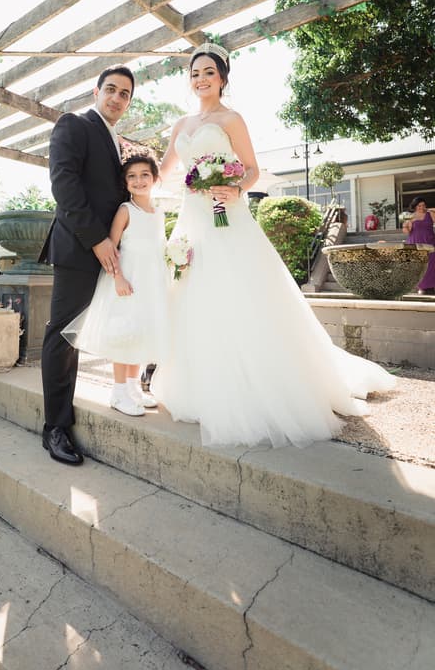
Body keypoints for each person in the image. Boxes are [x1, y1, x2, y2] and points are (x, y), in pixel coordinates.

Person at [152, 41, 396, 449]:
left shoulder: (232, 119)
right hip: (192, 220)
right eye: (195, 73)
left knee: (239, 294)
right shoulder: (180, 126)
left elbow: (251, 170)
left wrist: (233, 188)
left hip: (227, 218)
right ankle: (196, 384)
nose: (200, 79)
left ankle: (255, 385)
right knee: (192, 295)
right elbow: (159, 173)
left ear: (222, 78)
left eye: (208, 72)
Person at [39, 65, 135, 465]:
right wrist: (97, 240)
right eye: (110, 89)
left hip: (113, 252)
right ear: (96, 91)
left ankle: (128, 388)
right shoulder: (73, 124)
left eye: (125, 94)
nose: (116, 97)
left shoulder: (116, 140)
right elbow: (64, 185)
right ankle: (55, 428)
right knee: (62, 336)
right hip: (80, 248)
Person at [62, 155, 168, 416]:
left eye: (145, 174)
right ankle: (118, 392)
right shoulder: (125, 210)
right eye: (132, 176)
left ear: (155, 178)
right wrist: (118, 277)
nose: (139, 180)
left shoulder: (159, 212)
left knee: (140, 333)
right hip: (127, 280)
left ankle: (133, 389)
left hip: (150, 283)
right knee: (124, 334)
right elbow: (111, 247)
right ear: (125, 182)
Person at [402, 196, 435, 294]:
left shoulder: (430, 214)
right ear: (415, 206)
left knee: (431, 265)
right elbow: (406, 231)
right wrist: (406, 226)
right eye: (419, 205)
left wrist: (429, 209)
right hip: (415, 243)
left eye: (423, 205)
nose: (421, 207)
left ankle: (432, 285)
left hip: (430, 242)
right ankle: (421, 287)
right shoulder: (411, 216)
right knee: (419, 265)